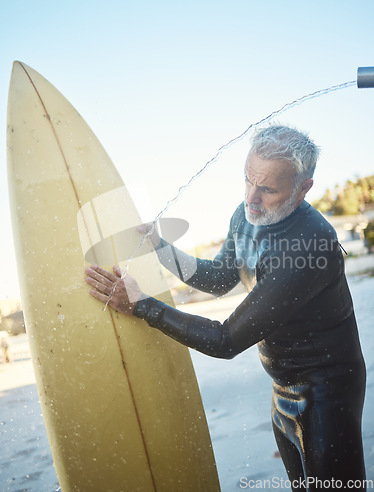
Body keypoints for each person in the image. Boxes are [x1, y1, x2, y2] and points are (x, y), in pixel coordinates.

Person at [86, 125, 366, 491]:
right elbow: (218, 278)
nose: (251, 198)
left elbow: (225, 341)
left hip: (327, 390)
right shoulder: (247, 215)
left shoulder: (309, 245)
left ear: (303, 189)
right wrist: (161, 246)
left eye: (267, 189)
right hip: (282, 386)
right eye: (248, 180)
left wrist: (141, 305)